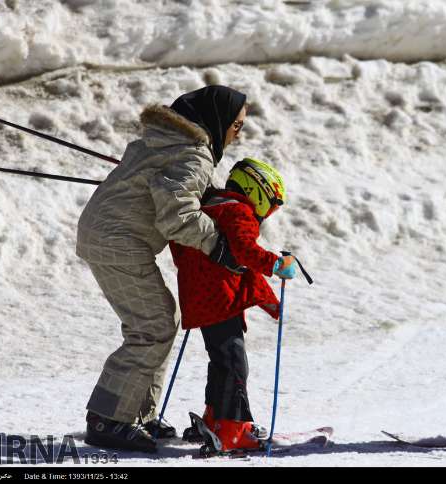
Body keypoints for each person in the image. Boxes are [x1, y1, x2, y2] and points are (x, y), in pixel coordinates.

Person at [76, 85, 249, 453]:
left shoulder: (164, 141)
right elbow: (177, 216)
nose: (238, 133)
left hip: (107, 234)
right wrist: (220, 244)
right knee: (152, 326)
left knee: (156, 322)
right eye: (237, 125)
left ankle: (136, 413)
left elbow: (168, 191)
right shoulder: (193, 154)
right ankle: (108, 419)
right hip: (118, 241)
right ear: (217, 120)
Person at [169, 157, 297, 453]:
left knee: (222, 360)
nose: (265, 214)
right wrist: (276, 264)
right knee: (235, 363)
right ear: (257, 191)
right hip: (219, 298)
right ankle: (233, 429)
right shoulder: (238, 211)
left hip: (200, 296)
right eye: (269, 206)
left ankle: (215, 417)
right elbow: (243, 250)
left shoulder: (211, 206)